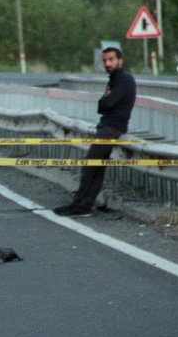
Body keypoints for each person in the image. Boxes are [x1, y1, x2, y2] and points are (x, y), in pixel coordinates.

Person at [53, 47, 136, 217]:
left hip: (112, 128)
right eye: (105, 60)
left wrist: (106, 99)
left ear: (120, 60)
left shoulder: (124, 79)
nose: (108, 63)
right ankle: (81, 204)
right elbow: (101, 105)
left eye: (111, 59)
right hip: (107, 126)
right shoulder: (115, 79)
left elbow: (107, 103)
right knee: (95, 167)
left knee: (91, 166)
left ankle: (82, 206)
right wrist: (105, 100)